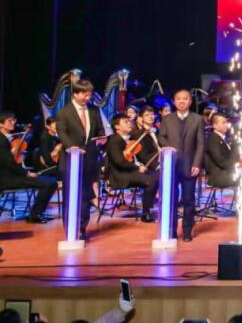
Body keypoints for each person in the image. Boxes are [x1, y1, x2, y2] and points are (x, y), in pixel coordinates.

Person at [55, 79, 106, 238]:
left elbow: (100, 130)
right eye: (84, 94)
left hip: (89, 159)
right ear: (75, 94)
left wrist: (102, 138)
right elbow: (62, 133)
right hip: (71, 160)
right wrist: (72, 148)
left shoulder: (94, 111)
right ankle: (71, 230)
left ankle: (82, 229)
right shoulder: (64, 112)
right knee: (71, 196)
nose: (87, 98)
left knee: (86, 195)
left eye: (89, 94)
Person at [158, 89, 206, 242]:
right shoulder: (167, 119)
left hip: (189, 165)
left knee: (188, 200)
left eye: (185, 99)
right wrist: (167, 147)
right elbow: (161, 138)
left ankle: (187, 230)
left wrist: (197, 163)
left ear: (190, 102)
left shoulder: (197, 119)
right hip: (171, 165)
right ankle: (171, 230)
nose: (181, 101)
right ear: (174, 101)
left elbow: (200, 144)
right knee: (171, 199)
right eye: (178, 99)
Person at [0, 112, 57, 223]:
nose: (13, 122)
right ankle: (35, 215)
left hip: (12, 175)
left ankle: (36, 214)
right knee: (50, 183)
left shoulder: (5, 139)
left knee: (50, 181)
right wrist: (27, 173)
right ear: (1, 124)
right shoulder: (1, 141)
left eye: (14, 120)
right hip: (6, 179)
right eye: (9, 121)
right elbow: (10, 164)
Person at [104, 114, 158, 222]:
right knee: (150, 180)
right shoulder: (114, 140)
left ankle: (149, 207)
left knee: (156, 175)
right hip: (119, 175)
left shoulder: (127, 140)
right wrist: (137, 168)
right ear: (117, 127)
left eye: (129, 121)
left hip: (128, 172)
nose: (129, 124)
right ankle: (146, 213)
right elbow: (120, 162)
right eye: (125, 122)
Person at [205, 113, 236, 188]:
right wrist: (236, 165)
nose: (226, 125)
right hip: (219, 176)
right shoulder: (213, 139)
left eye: (226, 122)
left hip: (225, 173)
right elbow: (222, 162)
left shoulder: (223, 138)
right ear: (215, 125)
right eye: (223, 123)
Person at [131, 106, 161, 171]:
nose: (150, 117)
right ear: (142, 118)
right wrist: (156, 165)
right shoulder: (138, 134)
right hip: (152, 167)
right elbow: (142, 155)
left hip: (164, 161)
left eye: (152, 114)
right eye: (147, 115)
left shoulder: (158, 131)